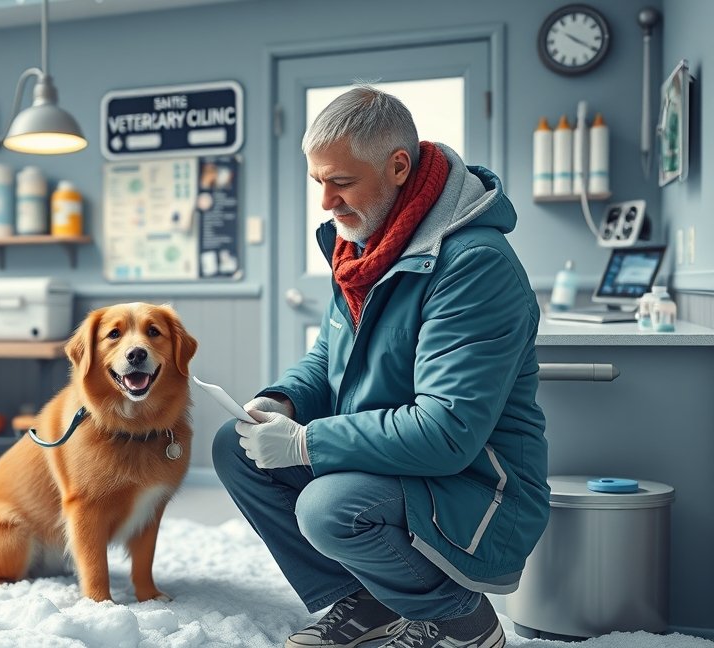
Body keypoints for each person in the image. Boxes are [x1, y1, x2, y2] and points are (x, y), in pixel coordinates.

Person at [212, 85, 548, 648]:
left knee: (329, 508)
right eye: (318, 181)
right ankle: (368, 603)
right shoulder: (365, 250)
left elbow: (446, 433)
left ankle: (464, 622)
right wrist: (283, 403)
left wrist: (305, 444)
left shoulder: (474, 265)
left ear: (398, 167)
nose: (325, 202)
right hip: (399, 464)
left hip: (477, 488)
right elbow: (329, 358)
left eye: (341, 182)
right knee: (236, 446)